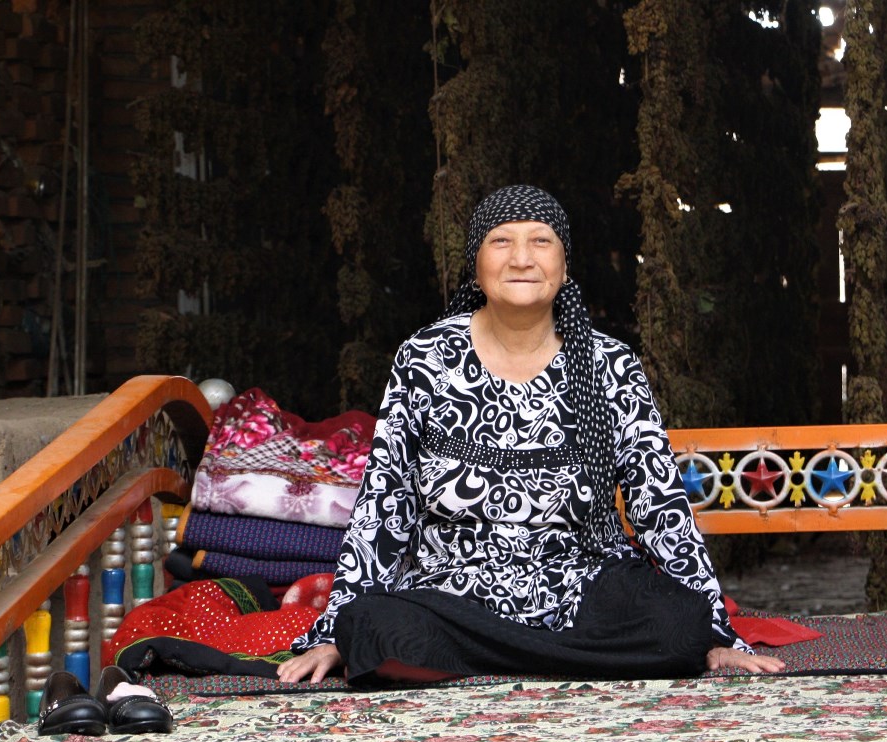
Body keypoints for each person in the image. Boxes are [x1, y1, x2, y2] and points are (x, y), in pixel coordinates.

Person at [278, 185, 784, 686]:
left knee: (680, 625)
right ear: (476, 264)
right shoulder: (426, 358)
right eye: (501, 242)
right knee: (370, 627)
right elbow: (385, 502)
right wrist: (334, 632)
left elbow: (661, 507)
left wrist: (717, 635)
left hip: (582, 590)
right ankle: (563, 661)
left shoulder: (611, 364)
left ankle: (495, 660)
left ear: (565, 266)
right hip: (454, 592)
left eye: (540, 241)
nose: (521, 258)